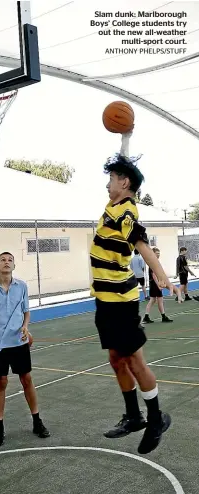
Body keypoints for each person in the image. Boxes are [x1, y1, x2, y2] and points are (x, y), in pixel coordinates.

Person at [90, 131, 181, 454]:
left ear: (125, 183)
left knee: (134, 360)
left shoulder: (126, 214)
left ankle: (155, 418)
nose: (107, 182)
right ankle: (133, 415)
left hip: (120, 302)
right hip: (105, 301)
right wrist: (124, 142)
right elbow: (124, 165)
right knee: (116, 359)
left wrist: (163, 277)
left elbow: (143, 247)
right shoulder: (112, 206)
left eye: (113, 178)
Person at [0, 252, 50, 446]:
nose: (6, 263)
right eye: (3, 260)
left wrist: (25, 326)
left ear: (14, 266)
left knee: (27, 379)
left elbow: (26, 312)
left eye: (10, 260)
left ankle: (37, 421)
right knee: (2, 382)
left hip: (18, 343)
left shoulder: (22, 286)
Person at [143, 248, 173, 323]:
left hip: (153, 284)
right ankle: (163, 316)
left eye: (159, 253)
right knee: (160, 300)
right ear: (153, 254)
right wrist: (158, 285)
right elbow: (154, 275)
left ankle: (146, 316)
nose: (158, 254)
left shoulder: (153, 262)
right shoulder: (153, 263)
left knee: (152, 300)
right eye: (157, 253)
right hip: (155, 284)